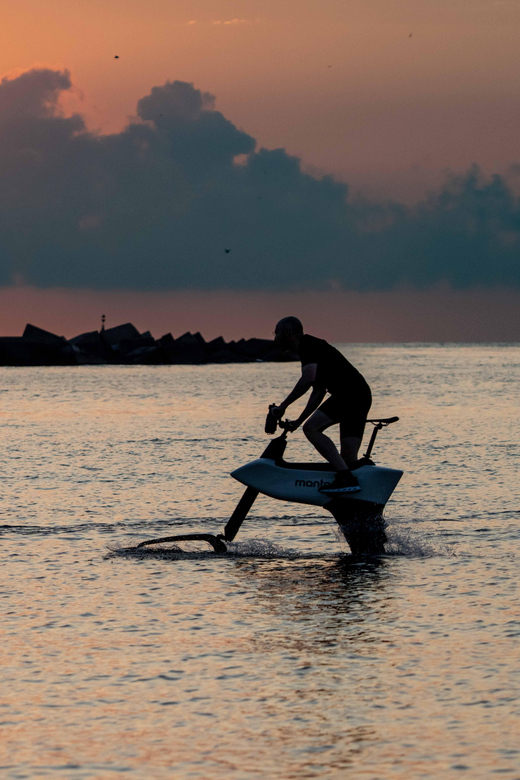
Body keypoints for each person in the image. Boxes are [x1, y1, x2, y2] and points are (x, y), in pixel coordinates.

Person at [270, 316, 372, 493]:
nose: (275, 338)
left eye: (277, 333)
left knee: (312, 429)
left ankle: (345, 477)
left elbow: (307, 379)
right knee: (348, 458)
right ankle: (353, 491)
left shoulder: (307, 345)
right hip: (361, 395)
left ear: (288, 333)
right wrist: (298, 420)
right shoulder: (312, 349)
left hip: (349, 394)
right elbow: (318, 391)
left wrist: (284, 405)